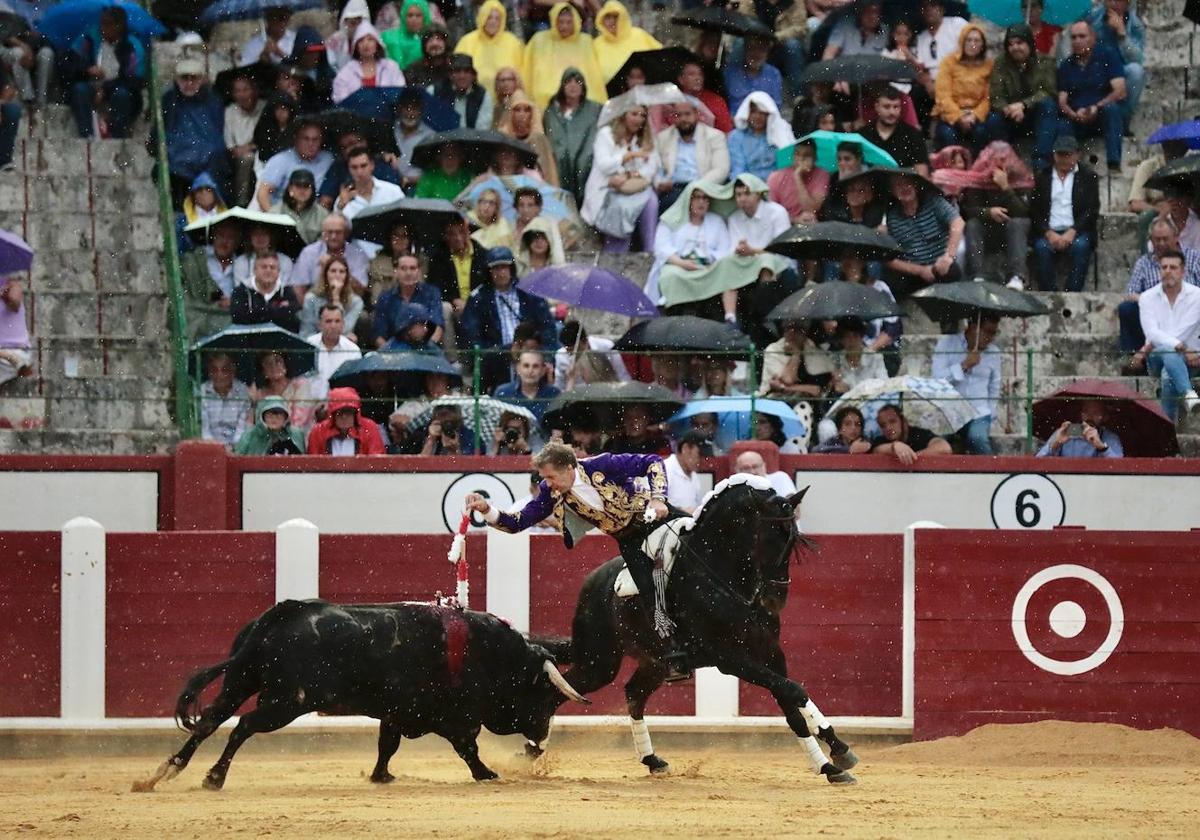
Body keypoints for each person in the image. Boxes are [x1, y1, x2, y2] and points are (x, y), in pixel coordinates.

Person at [466, 443, 691, 680]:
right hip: (630, 539)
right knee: (649, 591)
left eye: (551, 476)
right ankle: (674, 653)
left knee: (702, 537)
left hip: (654, 516)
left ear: (569, 468)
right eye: (545, 478)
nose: (547, 483)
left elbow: (653, 461)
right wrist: (487, 510)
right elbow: (519, 521)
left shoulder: (601, 465)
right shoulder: (550, 492)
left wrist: (658, 499)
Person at [460, 247, 558, 393]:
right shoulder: (478, 298)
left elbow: (548, 327)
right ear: (489, 271)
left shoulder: (529, 292)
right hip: (498, 356)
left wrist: (547, 356)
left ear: (512, 268)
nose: (501, 273)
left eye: (505, 267)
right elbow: (472, 337)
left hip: (530, 351)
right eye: (496, 269)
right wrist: (490, 355)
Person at [581, 103, 662, 254]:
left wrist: (630, 175)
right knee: (621, 207)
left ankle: (649, 250)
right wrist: (628, 156)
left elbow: (651, 167)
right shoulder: (606, 134)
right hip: (608, 189)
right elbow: (605, 165)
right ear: (624, 115)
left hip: (633, 187)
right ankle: (616, 254)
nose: (638, 119)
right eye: (634, 114)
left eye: (642, 115)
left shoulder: (646, 138)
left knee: (651, 200)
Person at [1119, 218, 1200, 367]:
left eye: (1165, 239)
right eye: (1157, 239)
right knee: (1127, 309)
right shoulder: (1144, 263)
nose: (1161, 243)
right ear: (1150, 240)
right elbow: (1130, 293)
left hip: (1188, 312)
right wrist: (1148, 300)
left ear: (1176, 237)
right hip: (1156, 313)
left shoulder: (1194, 258)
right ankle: (1133, 360)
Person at [951, 144, 1033, 289]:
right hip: (988, 229)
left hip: (1012, 230)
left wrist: (1006, 187)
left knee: (1019, 223)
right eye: (994, 160)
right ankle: (977, 276)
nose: (998, 164)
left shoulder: (1021, 178)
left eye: (1003, 159)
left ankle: (1017, 276)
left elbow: (1024, 211)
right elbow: (968, 210)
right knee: (972, 224)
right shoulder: (978, 180)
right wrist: (989, 212)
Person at [1030, 134, 1099, 293]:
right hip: (1049, 230)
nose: (1064, 159)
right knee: (1041, 248)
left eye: (1068, 154)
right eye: (1060, 154)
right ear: (1054, 155)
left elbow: (1092, 210)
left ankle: (1072, 293)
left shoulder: (1088, 177)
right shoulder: (1043, 177)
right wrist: (1048, 233)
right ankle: (1049, 292)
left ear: (1077, 154)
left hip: (1076, 229)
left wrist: (1072, 231)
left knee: (1081, 246)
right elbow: (1034, 210)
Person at [63, 5, 145, 139]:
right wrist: (87, 69)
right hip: (91, 84)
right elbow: (71, 60)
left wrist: (106, 89)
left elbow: (134, 79)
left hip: (118, 88)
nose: (103, 28)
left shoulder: (132, 46)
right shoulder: (91, 37)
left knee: (122, 95)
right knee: (79, 89)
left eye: (108, 24)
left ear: (118, 26)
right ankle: (87, 135)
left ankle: (117, 135)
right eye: (102, 23)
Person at [1054, 21, 1126, 173]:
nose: (1077, 41)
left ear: (1093, 37)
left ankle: (1114, 164)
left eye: (1082, 36)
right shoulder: (1066, 65)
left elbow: (1120, 90)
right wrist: (1073, 114)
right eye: (1073, 37)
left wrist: (1096, 107)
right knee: (1062, 125)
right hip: (1077, 118)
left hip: (1100, 115)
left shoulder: (1108, 56)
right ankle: (1068, 169)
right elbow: (1062, 101)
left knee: (1112, 110)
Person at [1136, 250, 1200, 419]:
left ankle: (1167, 428)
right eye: (1164, 267)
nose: (1168, 271)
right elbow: (1151, 332)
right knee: (1168, 352)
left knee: (1168, 372)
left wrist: (1163, 342)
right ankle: (1187, 392)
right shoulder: (1147, 297)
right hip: (1159, 356)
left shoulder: (1197, 296)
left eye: (1173, 267)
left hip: (1193, 358)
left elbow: (1185, 329)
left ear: (1183, 271)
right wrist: (1181, 347)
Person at [648, 180, 731, 309]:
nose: (702, 202)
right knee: (670, 276)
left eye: (705, 198)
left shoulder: (717, 221)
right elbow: (661, 248)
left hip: (709, 267)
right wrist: (682, 263)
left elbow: (725, 249)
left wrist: (712, 263)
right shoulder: (671, 219)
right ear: (688, 199)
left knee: (725, 275)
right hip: (678, 266)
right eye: (697, 197)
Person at [883, 169, 964, 298]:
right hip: (914, 273)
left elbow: (957, 222)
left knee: (951, 272)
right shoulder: (892, 218)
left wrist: (948, 256)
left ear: (916, 185)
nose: (904, 188)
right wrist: (920, 271)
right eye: (898, 185)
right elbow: (889, 259)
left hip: (941, 266)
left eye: (908, 183)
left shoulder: (933, 201)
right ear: (892, 191)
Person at [986, 23, 1058, 170]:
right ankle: (1004, 162)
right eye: (1011, 44)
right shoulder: (1001, 63)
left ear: (1029, 44)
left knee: (1048, 105)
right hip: (1012, 117)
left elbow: (1049, 91)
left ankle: (1041, 162)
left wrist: (1024, 105)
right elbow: (996, 96)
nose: (1015, 48)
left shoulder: (1044, 62)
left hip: (1035, 117)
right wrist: (1009, 109)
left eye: (1020, 43)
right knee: (993, 119)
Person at [932, 312, 1001, 454]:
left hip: (979, 412)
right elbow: (937, 380)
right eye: (987, 332)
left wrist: (991, 413)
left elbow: (994, 386)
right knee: (938, 442)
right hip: (951, 411)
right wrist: (964, 366)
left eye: (994, 333)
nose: (990, 338)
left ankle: (992, 474)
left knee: (977, 438)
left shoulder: (994, 352)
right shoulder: (946, 344)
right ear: (973, 327)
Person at [159, 60, 225, 206]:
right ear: (176, 80)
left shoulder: (213, 101)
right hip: (177, 160)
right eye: (184, 78)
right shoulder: (170, 101)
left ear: (202, 79)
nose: (189, 83)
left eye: (194, 78)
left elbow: (215, 136)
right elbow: (164, 131)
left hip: (207, 159)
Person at [524, 4, 606, 111]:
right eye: (561, 22)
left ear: (576, 22)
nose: (564, 26)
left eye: (568, 22)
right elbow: (528, 71)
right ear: (554, 21)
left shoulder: (585, 41)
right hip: (547, 98)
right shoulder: (540, 40)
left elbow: (593, 75)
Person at [656, 98, 730, 214]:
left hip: (705, 187)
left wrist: (698, 187)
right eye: (678, 115)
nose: (683, 119)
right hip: (674, 188)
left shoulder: (714, 136)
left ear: (696, 114)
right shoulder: (663, 138)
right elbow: (656, 167)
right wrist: (660, 181)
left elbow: (721, 169)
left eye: (687, 114)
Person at [544, 67, 602, 207]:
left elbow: (594, 138)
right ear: (562, 86)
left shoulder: (595, 110)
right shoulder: (552, 112)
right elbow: (551, 139)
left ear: (583, 87)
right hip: (558, 164)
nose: (573, 85)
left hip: (587, 163)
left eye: (578, 81)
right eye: (568, 81)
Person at [1085, 0, 1144, 134]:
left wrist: (1122, 35)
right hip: (1094, 71)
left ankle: (1122, 121)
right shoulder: (1092, 17)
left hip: (1119, 75)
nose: (1112, 3)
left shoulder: (1135, 25)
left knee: (1136, 72)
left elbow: (1138, 59)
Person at [932, 24, 992, 153]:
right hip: (950, 115)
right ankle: (949, 172)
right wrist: (959, 117)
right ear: (962, 42)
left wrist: (974, 115)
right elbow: (943, 95)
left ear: (982, 45)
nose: (972, 44)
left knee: (981, 133)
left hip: (975, 116)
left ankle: (977, 172)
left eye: (976, 41)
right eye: (968, 40)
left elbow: (988, 98)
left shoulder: (989, 65)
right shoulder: (948, 62)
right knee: (948, 135)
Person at [255, 118, 334, 210]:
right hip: (284, 212)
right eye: (306, 139)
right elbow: (263, 194)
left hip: (313, 215)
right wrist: (274, 218)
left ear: (321, 140)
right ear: (296, 139)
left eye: (315, 139)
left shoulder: (328, 159)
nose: (310, 143)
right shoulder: (281, 160)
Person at [373, 253, 446, 348]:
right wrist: (391, 354)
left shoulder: (432, 293)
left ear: (419, 272)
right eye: (403, 268)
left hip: (426, 351)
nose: (408, 273)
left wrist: (426, 349)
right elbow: (378, 335)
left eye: (412, 268)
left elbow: (438, 326)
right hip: (395, 353)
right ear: (396, 272)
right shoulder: (385, 298)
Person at [291, 213, 370, 300]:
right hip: (316, 304)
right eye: (329, 232)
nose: (333, 236)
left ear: (346, 233)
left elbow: (361, 291)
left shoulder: (358, 255)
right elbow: (298, 287)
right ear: (323, 233)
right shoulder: (309, 252)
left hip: (347, 304)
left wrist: (338, 270)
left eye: (338, 232)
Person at [454, 1, 523, 94]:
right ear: (482, 18)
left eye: (497, 18)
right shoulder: (467, 41)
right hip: (473, 96)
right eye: (489, 17)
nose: (493, 21)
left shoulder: (513, 42)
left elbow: (521, 74)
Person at [860, 87, 930, 176]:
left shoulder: (913, 135)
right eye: (887, 107)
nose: (892, 112)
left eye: (896, 107)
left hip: (903, 185)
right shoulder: (863, 135)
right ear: (877, 107)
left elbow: (922, 172)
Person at [430, 217, 490, 323]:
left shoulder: (482, 255)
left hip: (479, 304)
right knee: (445, 308)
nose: (458, 238)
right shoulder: (438, 258)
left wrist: (473, 302)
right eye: (452, 234)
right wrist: (453, 299)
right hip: (454, 308)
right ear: (446, 236)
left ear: (468, 232)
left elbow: (488, 285)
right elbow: (435, 287)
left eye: (462, 232)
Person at [332, 22, 405, 104]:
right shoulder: (346, 73)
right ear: (356, 46)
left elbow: (400, 93)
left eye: (370, 39)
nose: (365, 44)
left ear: (377, 43)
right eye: (361, 41)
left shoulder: (391, 67)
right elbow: (340, 101)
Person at [729, 92, 794, 185]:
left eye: (762, 113)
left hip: (777, 186)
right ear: (746, 113)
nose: (758, 117)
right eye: (753, 111)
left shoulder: (779, 133)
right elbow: (739, 169)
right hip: (749, 188)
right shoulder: (736, 137)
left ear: (769, 115)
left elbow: (786, 165)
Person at [497, 91, 559, 186]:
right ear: (510, 113)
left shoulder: (539, 139)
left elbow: (549, 173)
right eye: (517, 110)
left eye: (526, 110)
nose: (522, 114)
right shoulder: (502, 137)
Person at [332, 145, 405, 222]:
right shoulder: (342, 200)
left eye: (363, 166)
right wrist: (341, 206)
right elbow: (337, 228)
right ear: (349, 169)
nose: (359, 172)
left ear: (372, 165)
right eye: (354, 167)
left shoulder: (393, 191)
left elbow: (404, 220)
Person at [223, 72, 264, 207]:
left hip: (262, 152)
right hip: (239, 158)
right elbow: (232, 148)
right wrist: (248, 147)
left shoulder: (264, 107)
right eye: (237, 91)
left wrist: (251, 146)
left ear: (254, 90)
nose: (242, 95)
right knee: (246, 159)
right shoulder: (230, 112)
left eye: (246, 90)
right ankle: (241, 204)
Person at [592, 0, 661, 82]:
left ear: (623, 17)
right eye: (608, 17)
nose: (612, 21)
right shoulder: (596, 44)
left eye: (616, 17)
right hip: (611, 92)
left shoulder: (639, 35)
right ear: (602, 19)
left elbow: (661, 56)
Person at [232, 253, 301, 332]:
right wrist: (278, 311)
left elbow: (293, 321)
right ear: (254, 270)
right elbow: (239, 318)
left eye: (273, 267)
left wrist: (257, 312)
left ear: (278, 272)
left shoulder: (287, 291)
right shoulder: (240, 291)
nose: (268, 270)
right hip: (249, 339)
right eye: (264, 267)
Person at [251, 350, 319, 431]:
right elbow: (257, 423)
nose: (273, 366)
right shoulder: (260, 393)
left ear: (285, 365)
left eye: (278, 361)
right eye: (268, 363)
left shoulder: (300, 385)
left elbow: (299, 420)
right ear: (263, 371)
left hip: (298, 436)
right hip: (267, 438)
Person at [299, 255, 364, 338]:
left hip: (341, 346)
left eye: (341, 271)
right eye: (333, 271)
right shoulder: (311, 298)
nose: (337, 275)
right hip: (315, 344)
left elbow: (342, 329)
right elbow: (306, 332)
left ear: (346, 276)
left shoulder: (356, 302)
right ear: (326, 275)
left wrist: (336, 297)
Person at [307, 387, 386, 455]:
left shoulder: (369, 428)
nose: (344, 416)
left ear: (355, 413)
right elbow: (312, 465)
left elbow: (377, 462)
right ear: (332, 413)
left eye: (348, 411)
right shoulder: (318, 431)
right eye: (339, 412)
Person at [1036, 398, 1124, 458]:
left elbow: (1120, 466)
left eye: (1096, 413)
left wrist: (1101, 447)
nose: (1090, 417)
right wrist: (1055, 444)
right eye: (1086, 412)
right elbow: (1038, 461)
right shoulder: (1066, 432)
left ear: (1105, 417)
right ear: (1080, 414)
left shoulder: (1109, 437)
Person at [306, 303, 362, 397]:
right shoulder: (308, 345)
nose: (333, 325)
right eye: (328, 321)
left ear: (343, 324)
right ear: (319, 324)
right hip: (310, 405)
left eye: (337, 321)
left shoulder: (353, 351)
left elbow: (355, 386)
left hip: (340, 406)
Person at [197, 351, 251, 448]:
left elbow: (242, 428)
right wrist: (216, 448)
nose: (219, 375)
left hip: (237, 448)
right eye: (214, 370)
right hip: (209, 447)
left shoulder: (243, 391)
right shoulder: (202, 391)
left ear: (233, 371)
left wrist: (233, 448)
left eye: (224, 370)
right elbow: (204, 428)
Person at [554, 321, 631, 389]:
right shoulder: (561, 356)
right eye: (568, 351)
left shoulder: (606, 347)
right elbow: (559, 387)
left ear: (585, 341)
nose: (570, 354)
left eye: (574, 350)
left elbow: (623, 376)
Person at [869, 403, 952, 465]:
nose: (888, 428)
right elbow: (877, 450)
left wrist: (913, 456)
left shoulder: (918, 434)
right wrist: (895, 446)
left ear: (903, 421)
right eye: (883, 425)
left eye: (892, 421)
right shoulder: (880, 440)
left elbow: (944, 447)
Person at [494, 349, 561, 424]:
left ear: (543, 370)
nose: (530, 371)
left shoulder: (554, 394)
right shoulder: (503, 392)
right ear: (518, 368)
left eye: (535, 366)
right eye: (526, 366)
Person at [724, 35, 783, 115]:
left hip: (762, 125)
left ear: (767, 53)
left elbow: (776, 108)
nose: (756, 54)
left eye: (761, 49)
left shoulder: (774, 74)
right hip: (733, 123)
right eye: (752, 48)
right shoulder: (730, 72)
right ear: (745, 49)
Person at [435, 54, 494, 131]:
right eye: (457, 71)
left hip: (473, 140)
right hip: (442, 139)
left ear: (473, 76)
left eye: (466, 71)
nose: (462, 76)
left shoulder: (483, 95)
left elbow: (482, 129)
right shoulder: (436, 91)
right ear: (450, 75)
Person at [270, 169, 328, 244]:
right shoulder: (275, 212)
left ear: (312, 190)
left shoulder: (322, 214)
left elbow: (323, 244)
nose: (302, 190)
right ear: (290, 188)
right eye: (298, 186)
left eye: (306, 186)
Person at [234, 396, 306, 455]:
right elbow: (237, 458)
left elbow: (303, 462)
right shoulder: (250, 434)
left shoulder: (296, 434)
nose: (274, 419)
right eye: (270, 415)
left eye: (279, 415)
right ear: (262, 416)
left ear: (285, 417)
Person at [677, 59, 732, 135]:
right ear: (681, 80)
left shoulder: (716, 101)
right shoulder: (674, 100)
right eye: (691, 74)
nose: (697, 78)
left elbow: (727, 133)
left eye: (700, 74)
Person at [381, 0, 432, 70]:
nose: (414, 19)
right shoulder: (389, 38)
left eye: (418, 15)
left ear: (425, 17)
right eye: (410, 15)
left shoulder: (431, 40)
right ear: (403, 17)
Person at [664, 429, 706, 514]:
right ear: (685, 449)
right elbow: (651, 507)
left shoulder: (694, 476)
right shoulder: (665, 470)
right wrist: (682, 512)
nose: (701, 460)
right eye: (699, 454)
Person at [0, 275, 30, 387]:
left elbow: (15, 301)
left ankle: (12, 358)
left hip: (17, 350)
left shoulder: (12, 285)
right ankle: (10, 357)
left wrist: (4, 295)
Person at [402, 24, 452, 90]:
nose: (435, 44)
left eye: (439, 40)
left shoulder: (453, 67)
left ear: (446, 44)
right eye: (430, 40)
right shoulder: (413, 70)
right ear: (424, 45)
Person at [325, 0, 369, 73]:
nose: (357, 27)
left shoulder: (373, 40)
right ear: (345, 22)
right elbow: (331, 66)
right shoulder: (334, 40)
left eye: (360, 23)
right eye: (353, 23)